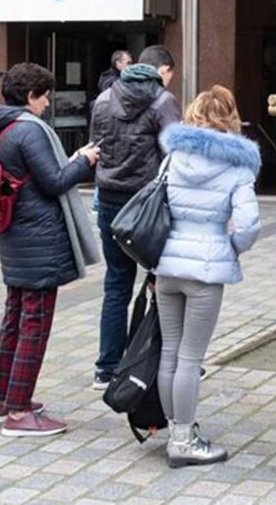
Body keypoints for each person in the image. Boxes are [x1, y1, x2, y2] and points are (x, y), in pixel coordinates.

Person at [0, 63, 100, 437]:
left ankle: (3, 400)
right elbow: (54, 181)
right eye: (44, 95)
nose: (48, 102)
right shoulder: (28, 131)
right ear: (30, 96)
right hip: (39, 242)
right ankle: (18, 412)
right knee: (35, 326)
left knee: (14, 319)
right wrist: (83, 161)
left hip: (16, 238)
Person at [153, 86, 261, 467]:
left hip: (166, 266)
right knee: (190, 357)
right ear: (230, 116)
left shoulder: (173, 158)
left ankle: (174, 428)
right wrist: (230, 247)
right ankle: (183, 441)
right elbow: (248, 224)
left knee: (169, 353)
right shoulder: (238, 165)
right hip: (205, 269)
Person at [90, 45, 181, 390]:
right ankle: (157, 363)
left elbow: (95, 148)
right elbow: (177, 154)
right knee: (162, 284)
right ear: (163, 71)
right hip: (149, 206)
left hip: (110, 201)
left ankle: (107, 367)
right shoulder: (163, 102)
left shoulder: (102, 100)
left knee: (116, 284)